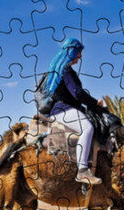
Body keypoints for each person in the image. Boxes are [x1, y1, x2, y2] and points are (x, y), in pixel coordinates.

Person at [41, 37, 104, 185]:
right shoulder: (66, 70)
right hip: (63, 109)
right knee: (87, 128)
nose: (80, 56)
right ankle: (82, 172)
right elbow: (77, 93)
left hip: (61, 109)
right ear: (71, 52)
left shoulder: (58, 69)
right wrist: (95, 103)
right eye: (78, 52)